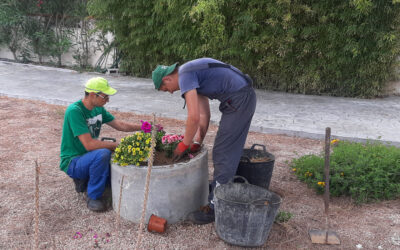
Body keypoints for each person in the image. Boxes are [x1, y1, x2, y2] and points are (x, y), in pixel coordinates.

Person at [152, 57, 257, 224]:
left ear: (167, 78)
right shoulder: (192, 75)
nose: (170, 92)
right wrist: (197, 142)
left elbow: (192, 118)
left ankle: (216, 208)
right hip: (239, 99)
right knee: (224, 149)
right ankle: (221, 186)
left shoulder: (186, 74)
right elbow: (203, 115)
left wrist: (184, 145)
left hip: (240, 99)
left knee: (224, 151)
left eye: (166, 89)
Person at [59, 77, 141, 212]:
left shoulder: (98, 109)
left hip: (88, 156)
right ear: (92, 95)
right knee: (104, 152)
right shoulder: (75, 111)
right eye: (105, 96)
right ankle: (93, 196)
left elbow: (120, 125)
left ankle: (87, 181)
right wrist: (116, 145)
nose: (108, 100)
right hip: (73, 161)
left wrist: (143, 127)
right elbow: (89, 145)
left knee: (109, 154)